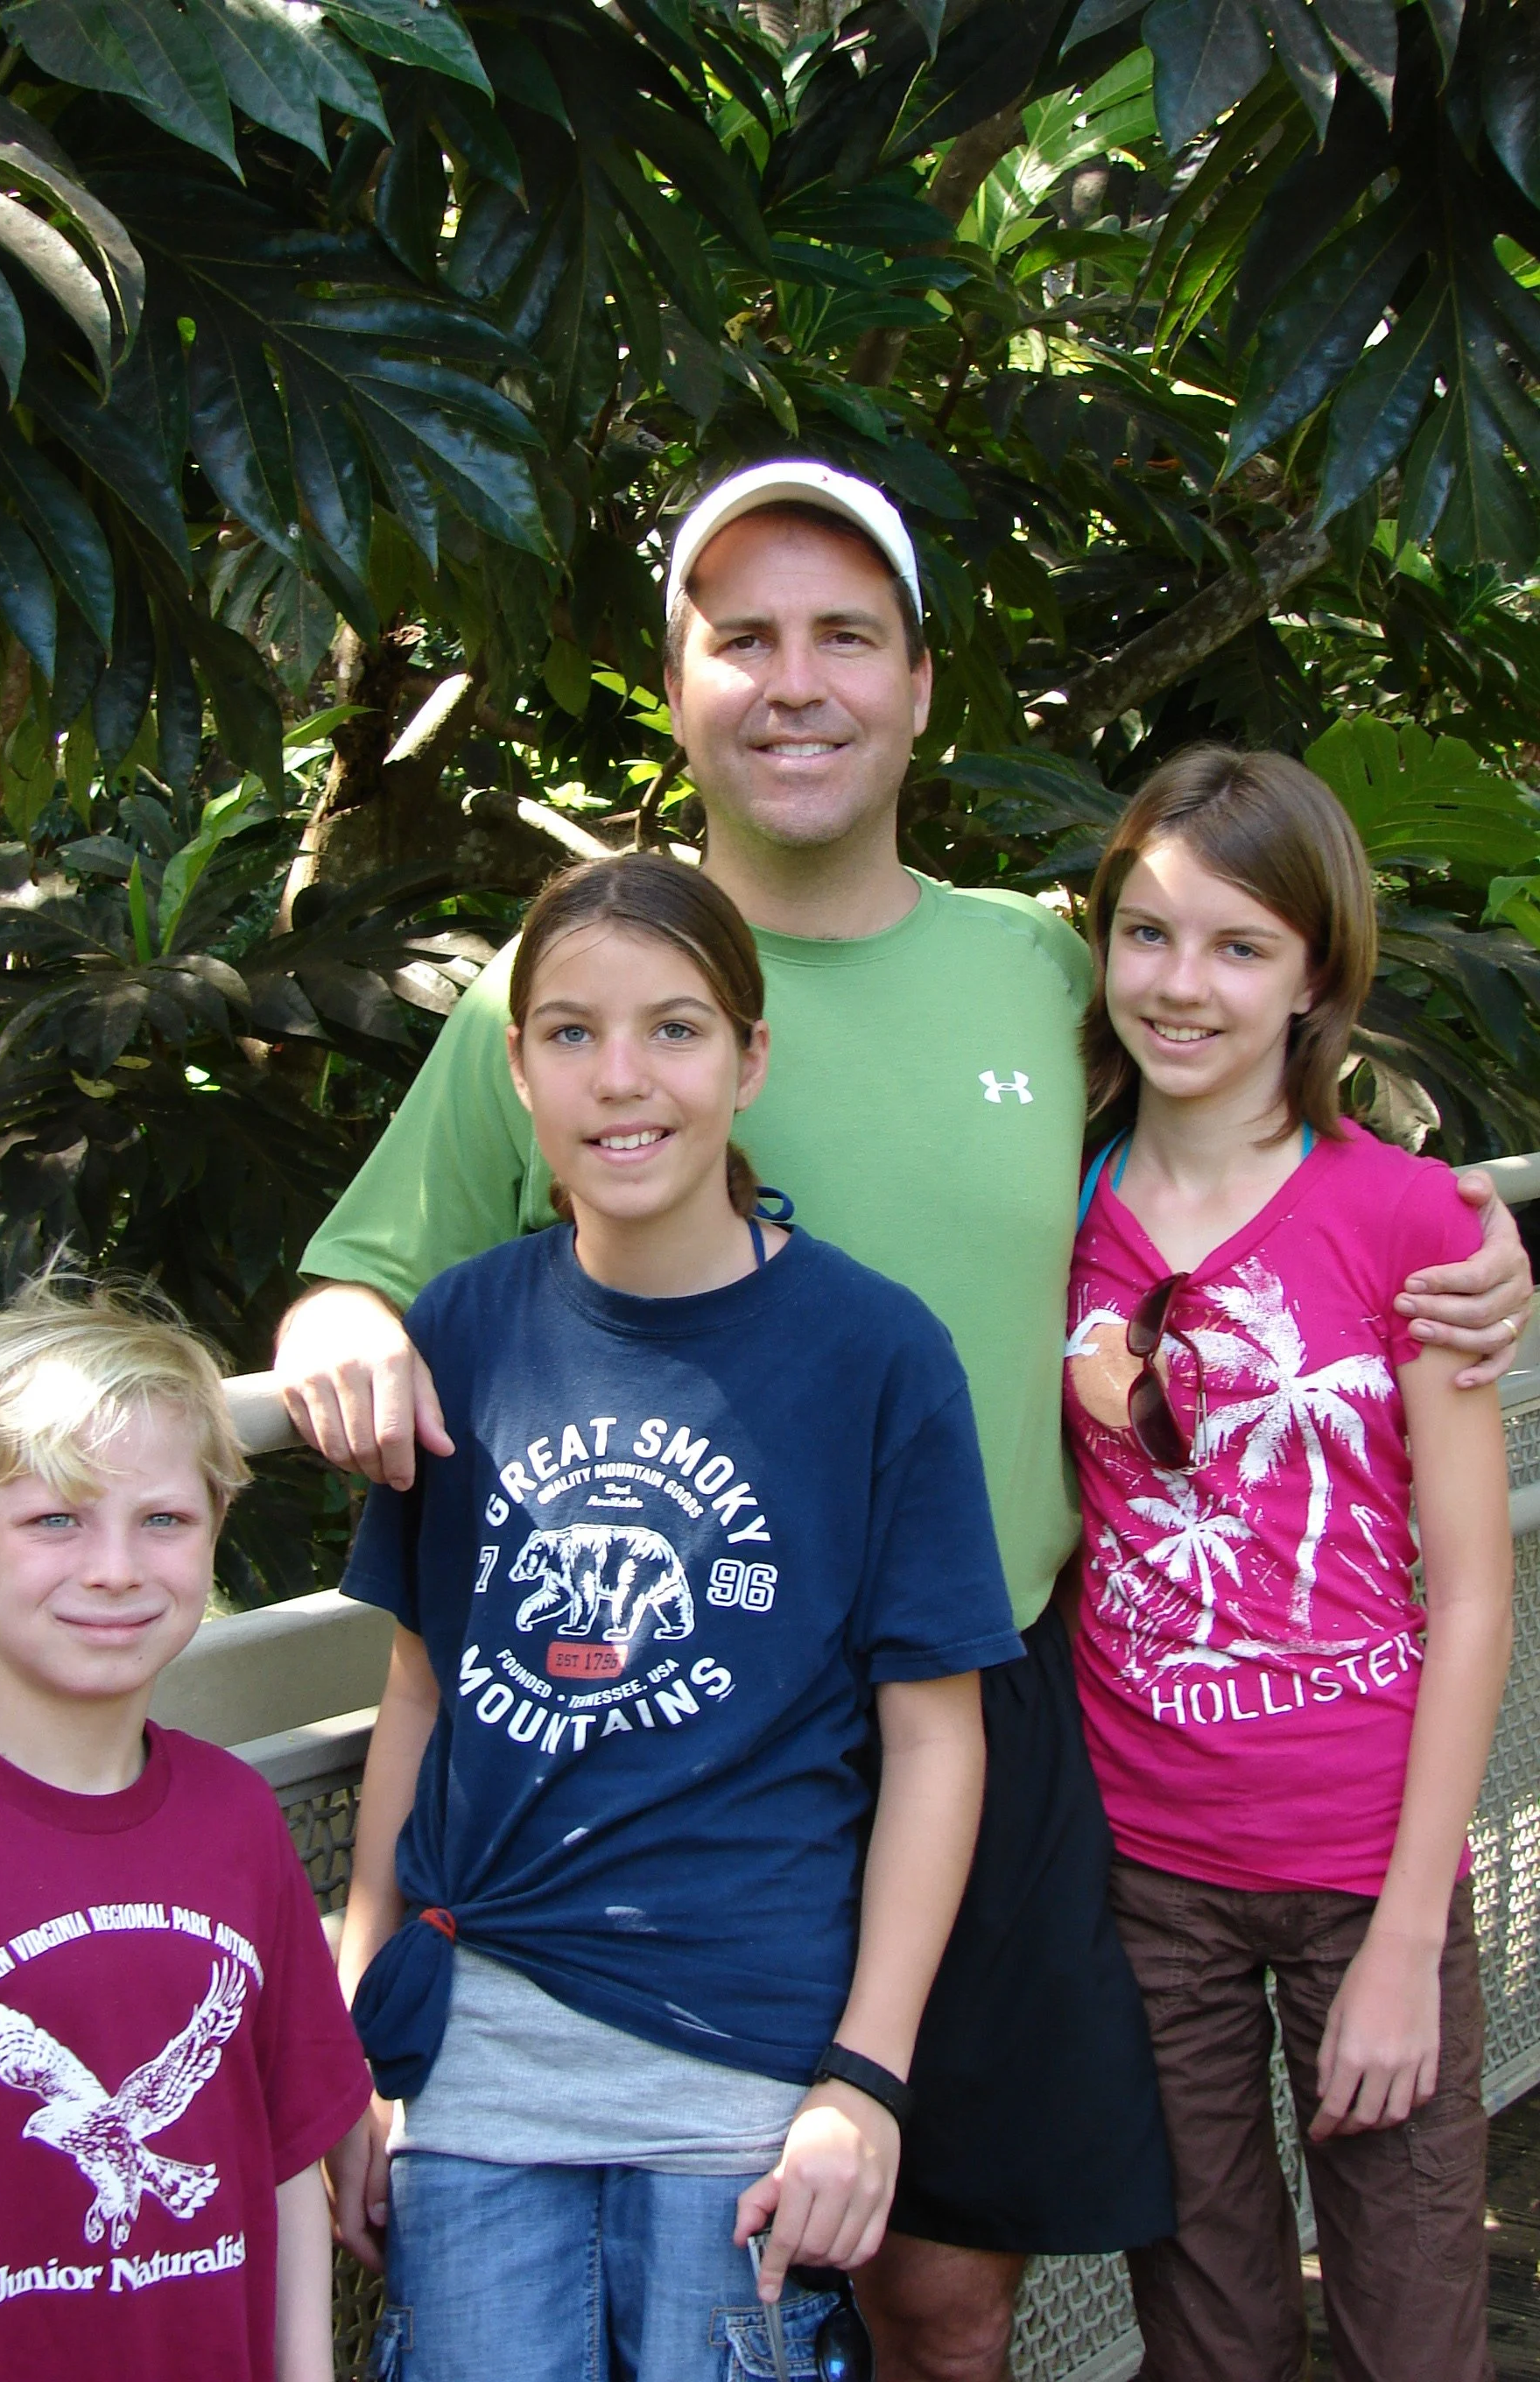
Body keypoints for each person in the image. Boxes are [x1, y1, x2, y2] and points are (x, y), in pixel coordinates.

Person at [283, 462, 1533, 2380]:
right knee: (704, 2261)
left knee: (946, 2283)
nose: (797, 684)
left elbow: (1246, 1162)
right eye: (745, 639)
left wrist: (1474, 1255)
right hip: (679, 1726)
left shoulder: (1044, 966)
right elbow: (375, 1257)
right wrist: (345, 1317)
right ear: (677, 682)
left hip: (996, 1693)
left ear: (921, 685)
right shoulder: (585, 991)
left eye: (845, 637)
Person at [334, 852, 1017, 2381]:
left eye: (674, 1029)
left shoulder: (872, 1354)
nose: (619, 1078)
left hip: (741, 2080)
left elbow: (932, 1741)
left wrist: (866, 2078)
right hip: (473, 2069)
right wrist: (353, 2041)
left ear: (748, 1057)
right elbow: (420, 1701)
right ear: (512, 1068)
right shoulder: (462, 1326)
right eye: (568, 1033)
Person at [1064, 747, 1515, 2382]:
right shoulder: (1053, 1205)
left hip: (1359, 1870)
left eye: (1238, 946)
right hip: (1141, 1873)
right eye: (1147, 935)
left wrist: (1404, 1934)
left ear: (1312, 970)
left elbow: (1469, 1589)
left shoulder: (1408, 1224)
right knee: (1204, 2328)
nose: (1180, 987)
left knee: (1408, 2328)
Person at [0, 1279, 374, 2382]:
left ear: (214, 1530)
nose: (116, 1568)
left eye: (162, 1518)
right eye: (54, 1518)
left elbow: (284, 2152)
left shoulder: (235, 1820)